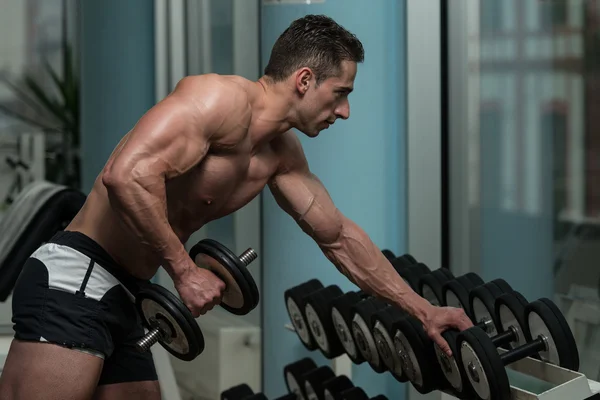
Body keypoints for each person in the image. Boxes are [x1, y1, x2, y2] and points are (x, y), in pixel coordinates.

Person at [0, 14, 472, 400]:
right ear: (305, 80)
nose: (344, 112)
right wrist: (185, 272)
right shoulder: (216, 100)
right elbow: (126, 176)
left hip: (127, 292)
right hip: (76, 276)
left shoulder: (280, 156)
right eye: (341, 94)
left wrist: (422, 310)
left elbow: (339, 237)